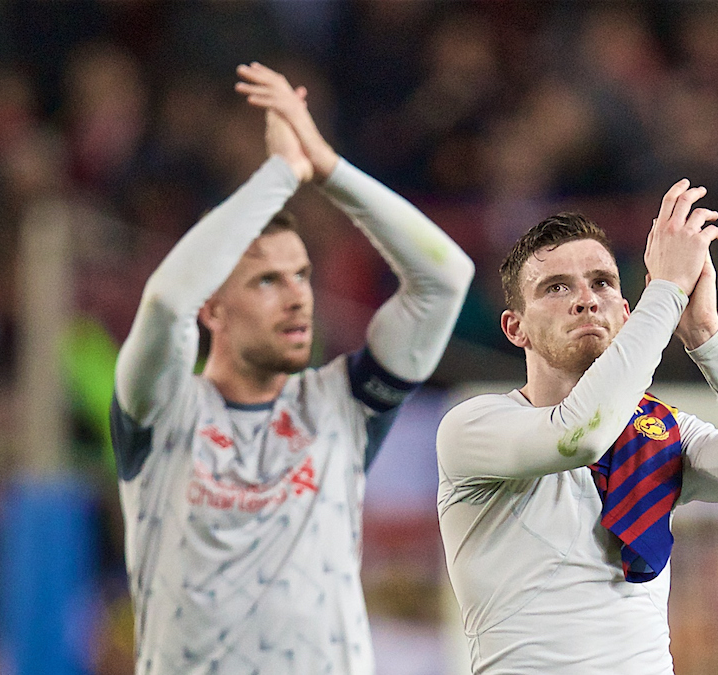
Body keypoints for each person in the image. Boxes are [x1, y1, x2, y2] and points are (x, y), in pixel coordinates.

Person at [110, 62, 474, 675]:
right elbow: (168, 300)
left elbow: (445, 279)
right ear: (214, 307)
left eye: (302, 275)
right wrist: (279, 175)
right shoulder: (164, 409)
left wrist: (326, 166)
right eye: (267, 280)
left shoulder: (343, 406)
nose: (298, 295)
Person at [436, 182, 718, 674]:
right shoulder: (474, 426)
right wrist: (667, 290)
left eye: (603, 283)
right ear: (515, 327)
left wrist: (704, 334)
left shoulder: (663, 430)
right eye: (557, 287)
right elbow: (579, 436)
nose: (586, 300)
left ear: (626, 314)